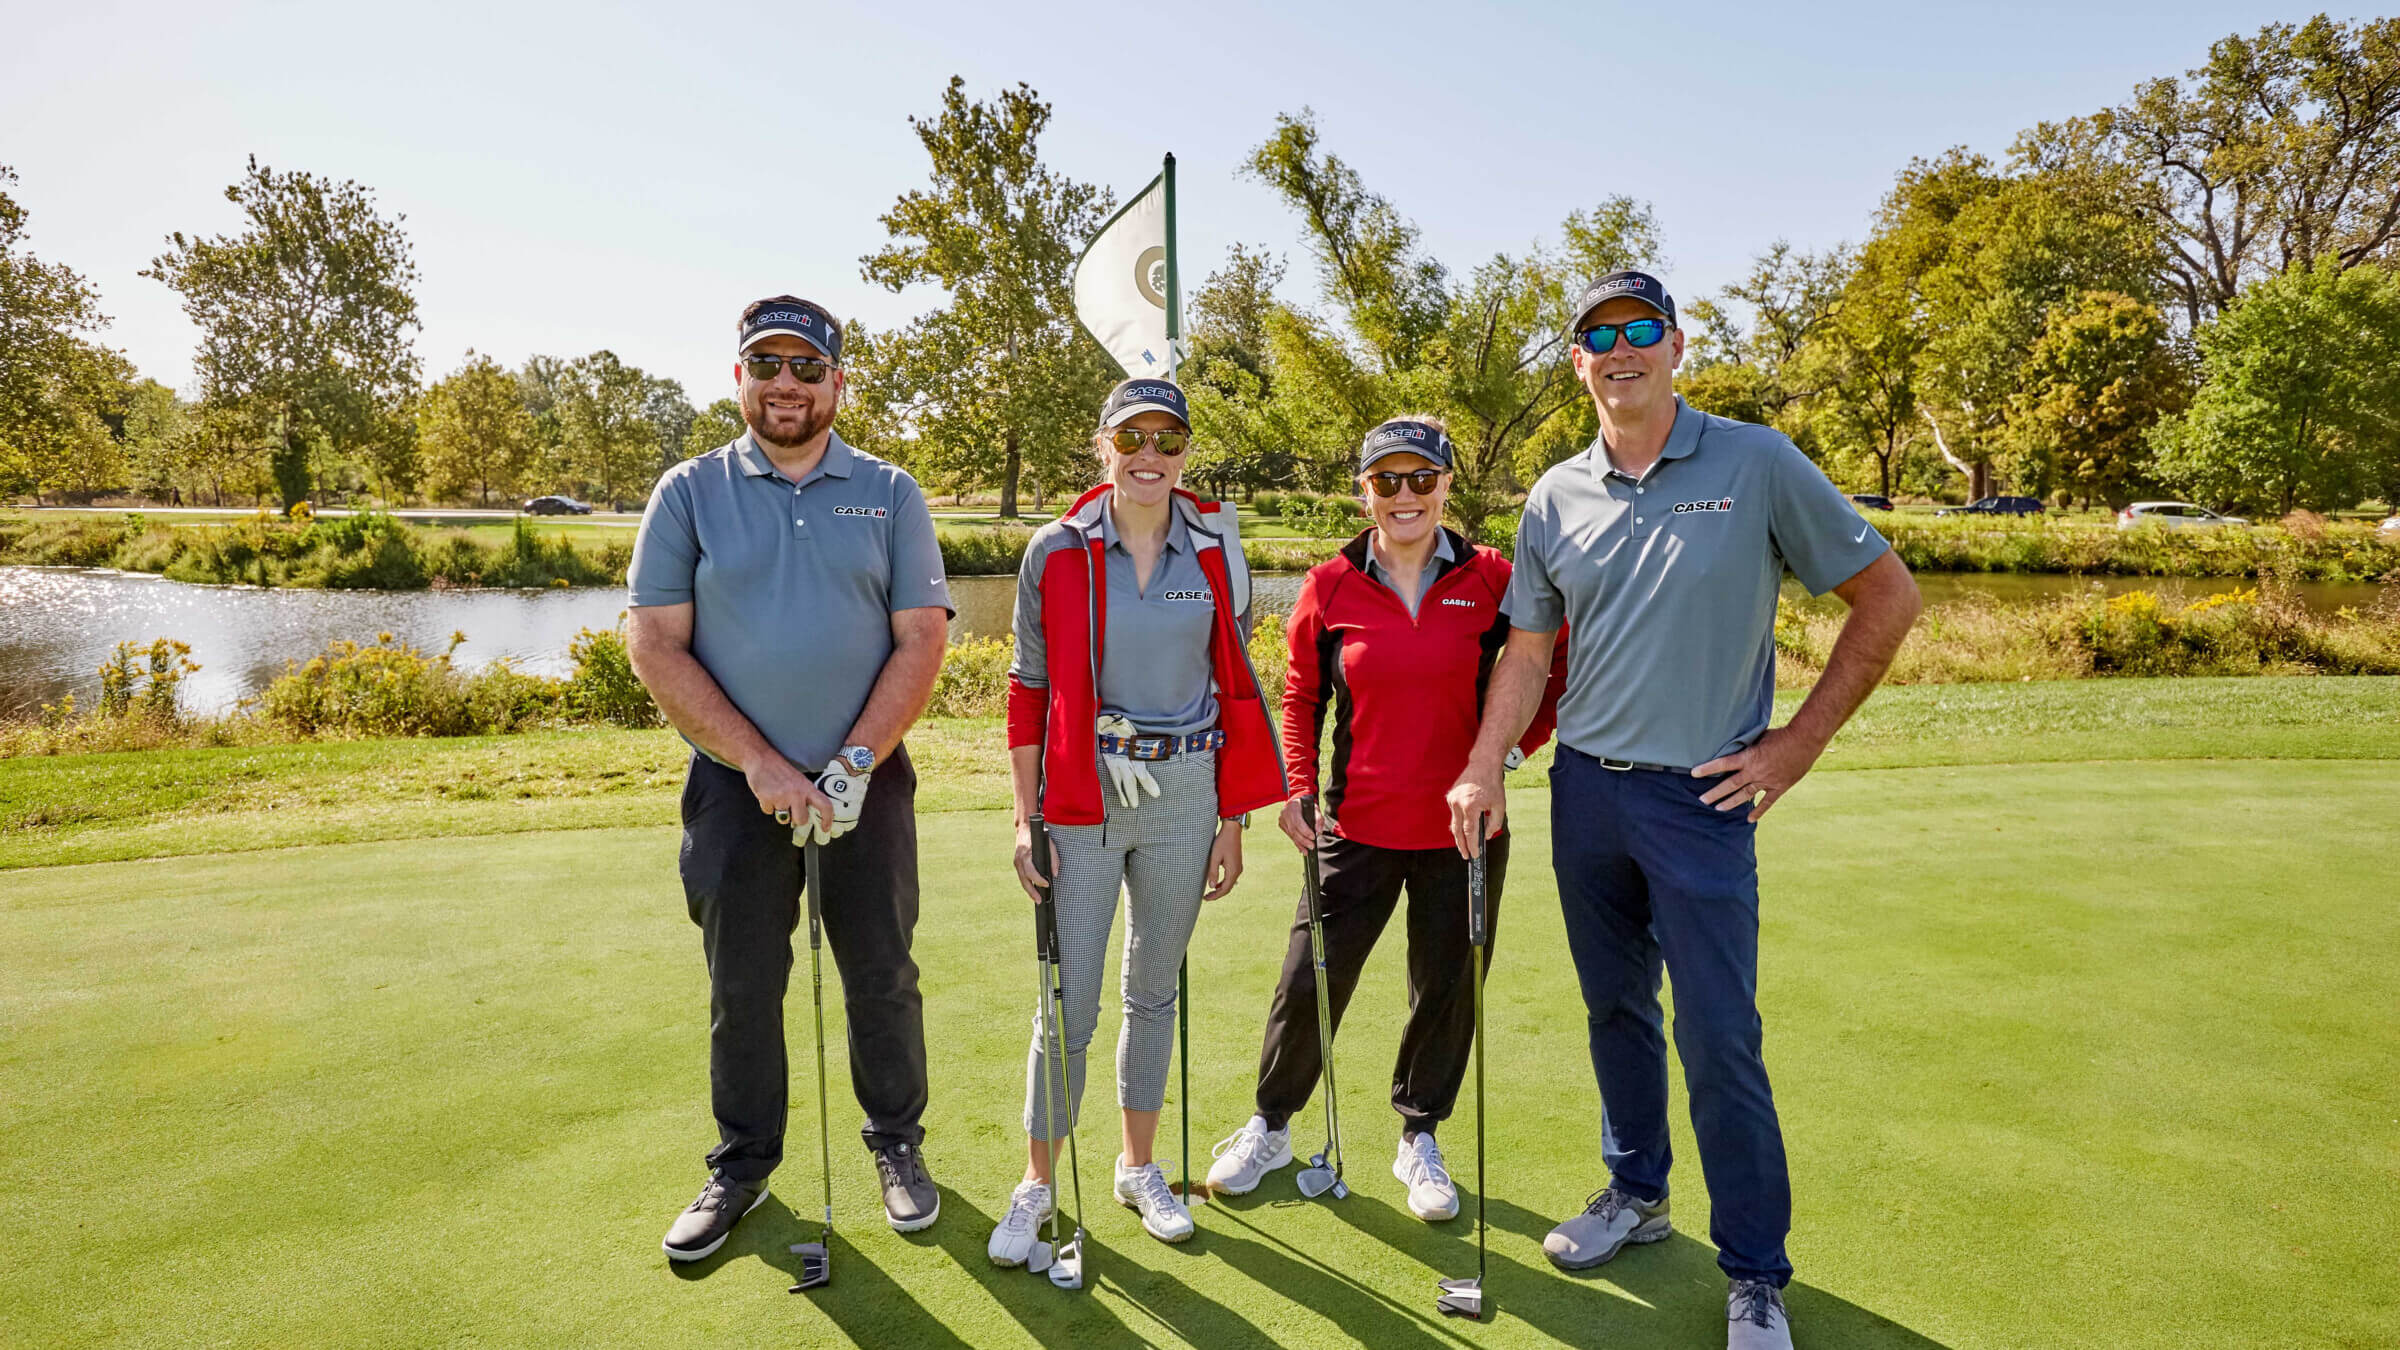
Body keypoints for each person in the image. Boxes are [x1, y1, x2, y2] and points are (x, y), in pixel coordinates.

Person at [1446, 271, 1921, 1350]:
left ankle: (1754, 1273)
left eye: (1641, 329)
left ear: (1673, 345)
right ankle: (1638, 1192)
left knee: (1719, 1037)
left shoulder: (1756, 461)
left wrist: (1797, 744)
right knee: (1615, 1011)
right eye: (1599, 336)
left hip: (1700, 799)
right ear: (1579, 362)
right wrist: (1484, 763)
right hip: (1586, 792)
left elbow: (1889, 596)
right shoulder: (1554, 494)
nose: (1622, 349)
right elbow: (1527, 653)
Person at [627, 296, 954, 1261]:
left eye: (807, 367)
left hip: (868, 779)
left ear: (836, 383)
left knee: (882, 973)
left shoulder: (889, 492)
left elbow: (921, 638)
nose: (786, 384)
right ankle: (742, 1165)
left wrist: (853, 762)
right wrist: (762, 764)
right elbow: (655, 643)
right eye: (766, 364)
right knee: (742, 984)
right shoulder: (689, 491)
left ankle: (897, 1143)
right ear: (740, 377)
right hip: (735, 789)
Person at [1203, 416, 1563, 1221]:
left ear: (1446, 487)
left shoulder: (1494, 578)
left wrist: (1508, 756)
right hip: (1354, 826)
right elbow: (1300, 695)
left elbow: (1549, 665)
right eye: (1387, 480)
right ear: (1364, 491)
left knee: (1446, 989)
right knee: (1309, 981)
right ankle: (1271, 1125)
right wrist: (1298, 786)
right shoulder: (1329, 584)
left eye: (1422, 479)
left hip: (1464, 834)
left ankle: (1418, 1135)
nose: (1406, 495)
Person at [987, 377, 1287, 1263]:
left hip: (1188, 790)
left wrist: (1232, 818)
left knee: (1153, 992)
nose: (1149, 455)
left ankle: (1137, 1167)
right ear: (1103, 446)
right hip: (1083, 793)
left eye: (1168, 439)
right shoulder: (1057, 549)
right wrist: (1024, 816)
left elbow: (1234, 685)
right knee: (1067, 1005)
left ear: (1186, 452)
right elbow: (1027, 689)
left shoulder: (1217, 548)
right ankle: (1037, 1184)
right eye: (1131, 438)